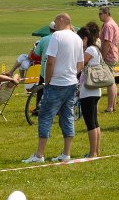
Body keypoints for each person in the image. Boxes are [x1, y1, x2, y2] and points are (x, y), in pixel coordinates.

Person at [24, 13, 82, 164]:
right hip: (71, 82)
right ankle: (66, 153)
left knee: (45, 116)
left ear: (62, 20)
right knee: (67, 116)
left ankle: (39, 154)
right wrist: (71, 74)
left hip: (56, 83)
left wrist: (47, 81)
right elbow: (80, 63)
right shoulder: (77, 38)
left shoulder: (57, 36)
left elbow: (50, 61)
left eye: (56, 20)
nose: (54, 24)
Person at [76, 22, 105, 158]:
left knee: (90, 123)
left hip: (88, 90)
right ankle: (96, 150)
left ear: (85, 39)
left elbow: (79, 65)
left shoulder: (89, 50)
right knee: (95, 121)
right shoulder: (96, 49)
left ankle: (93, 152)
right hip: (95, 90)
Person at [98, 5, 119, 113]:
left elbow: (107, 42)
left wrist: (102, 56)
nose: (99, 16)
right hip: (113, 54)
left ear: (106, 13)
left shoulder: (108, 25)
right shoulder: (111, 24)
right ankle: (113, 105)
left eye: (100, 13)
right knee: (112, 81)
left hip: (109, 56)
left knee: (110, 82)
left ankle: (110, 107)